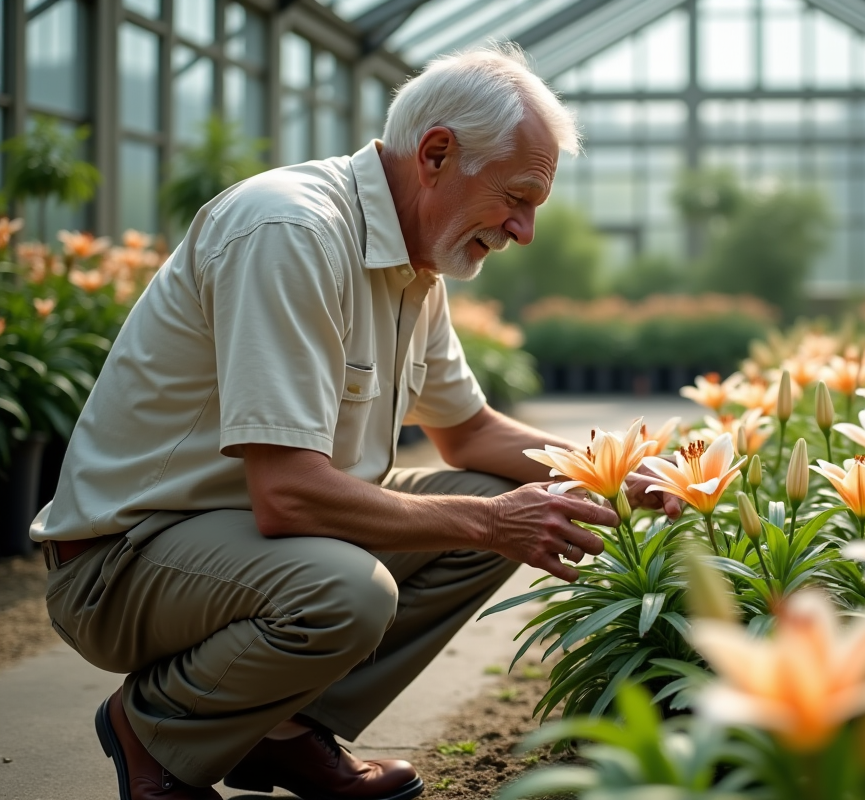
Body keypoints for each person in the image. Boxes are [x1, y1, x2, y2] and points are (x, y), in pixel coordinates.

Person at [30, 45, 677, 800]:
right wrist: (494, 522)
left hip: (244, 543)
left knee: (487, 490)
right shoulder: (291, 231)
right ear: (437, 153)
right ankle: (156, 730)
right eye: (519, 197)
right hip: (125, 562)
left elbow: (469, 433)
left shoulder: (415, 265)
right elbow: (289, 497)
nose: (524, 229)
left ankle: (280, 731)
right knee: (356, 587)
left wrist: (614, 476)